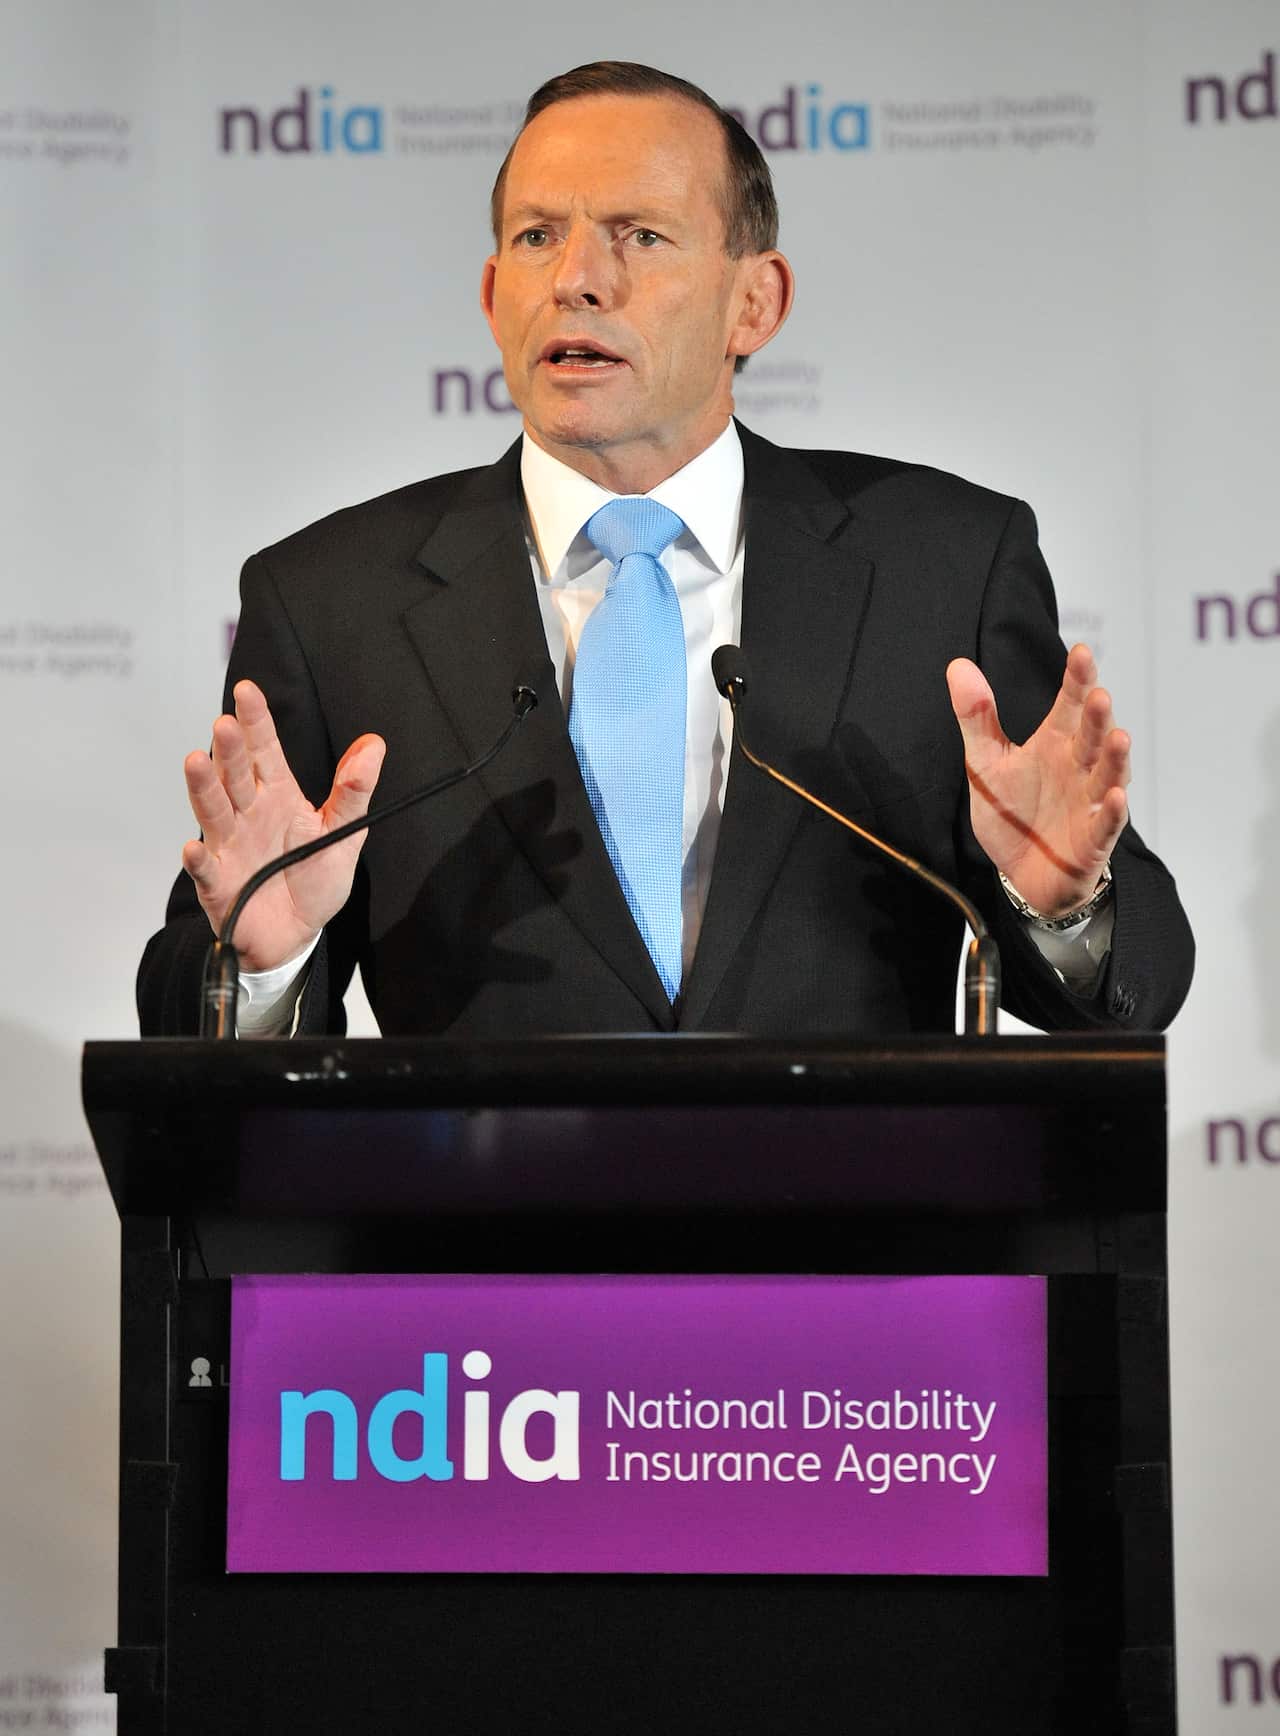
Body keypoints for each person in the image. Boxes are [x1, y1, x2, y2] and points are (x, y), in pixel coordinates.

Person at [138, 61, 1193, 1039]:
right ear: (491, 294)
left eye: (639, 235)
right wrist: (268, 959)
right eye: (538, 237)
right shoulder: (332, 601)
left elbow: (1136, 979)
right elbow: (192, 1004)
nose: (578, 280)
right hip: (478, 1229)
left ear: (755, 302)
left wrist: (1062, 902)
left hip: (850, 1225)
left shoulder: (941, 567)